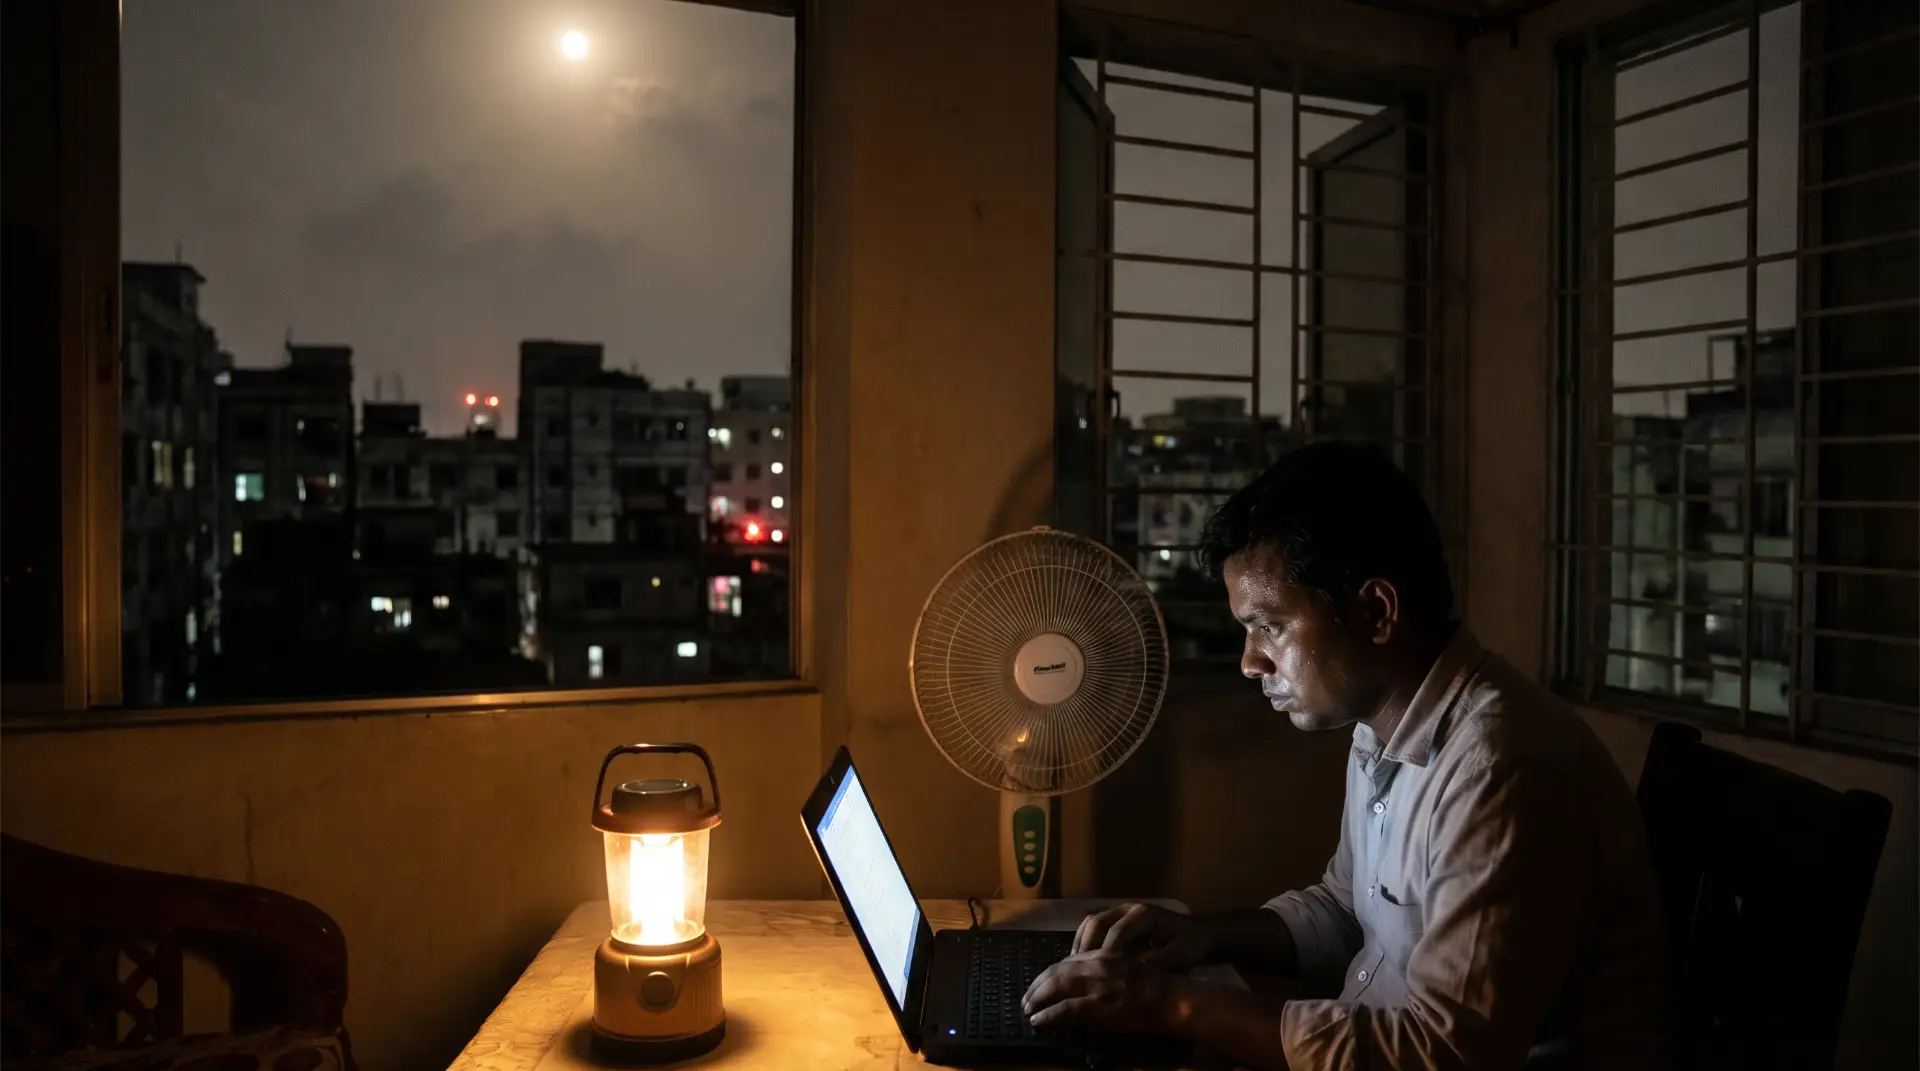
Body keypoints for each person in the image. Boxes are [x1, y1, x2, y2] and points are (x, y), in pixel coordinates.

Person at [1022, 442, 1669, 1070]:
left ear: (1376, 611)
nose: (1250, 661)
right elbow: (1345, 907)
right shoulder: (1386, 724)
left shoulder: (1501, 768)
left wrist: (1174, 1004)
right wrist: (1202, 936)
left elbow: (1442, 1055)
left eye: (1269, 627)